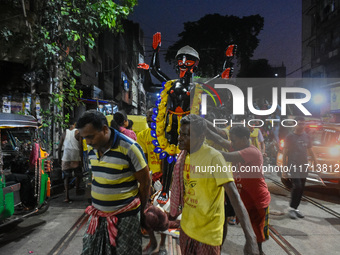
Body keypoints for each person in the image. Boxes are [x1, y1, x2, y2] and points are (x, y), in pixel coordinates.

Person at [170, 114, 259, 255]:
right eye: (180, 133)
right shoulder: (183, 155)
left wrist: (250, 238)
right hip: (186, 228)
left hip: (207, 235)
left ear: (201, 137)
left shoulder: (214, 158)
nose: (180, 138)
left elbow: (234, 196)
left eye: (186, 135)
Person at [76, 110, 150, 255]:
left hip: (125, 219)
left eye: (90, 137)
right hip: (98, 217)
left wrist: (141, 214)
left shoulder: (130, 148)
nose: (88, 142)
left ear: (104, 129)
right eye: (85, 138)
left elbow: (146, 182)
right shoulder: (92, 148)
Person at [206, 125, 271, 255]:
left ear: (244, 139)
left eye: (234, 140)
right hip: (240, 197)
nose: (232, 143)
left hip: (256, 201)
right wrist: (203, 126)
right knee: (222, 218)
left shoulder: (251, 152)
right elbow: (219, 139)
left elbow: (226, 156)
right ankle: (218, 249)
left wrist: (203, 148)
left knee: (254, 240)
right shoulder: (238, 145)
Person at [282, 116, 316, 219]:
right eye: (299, 123)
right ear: (295, 124)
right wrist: (284, 169)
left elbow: (310, 150)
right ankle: (291, 208)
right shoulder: (290, 137)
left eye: (303, 123)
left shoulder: (307, 136)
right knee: (297, 186)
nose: (301, 125)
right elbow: (285, 153)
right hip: (293, 165)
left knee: (301, 188)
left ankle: (296, 208)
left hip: (304, 165)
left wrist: (316, 162)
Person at [58, 119, 83, 203]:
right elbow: (81, 147)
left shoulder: (64, 133)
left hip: (66, 156)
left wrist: (59, 158)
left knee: (66, 177)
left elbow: (59, 146)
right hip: (75, 156)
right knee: (78, 174)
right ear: (75, 124)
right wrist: (82, 159)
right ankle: (77, 189)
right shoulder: (78, 133)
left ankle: (66, 197)